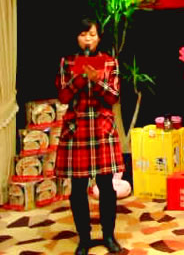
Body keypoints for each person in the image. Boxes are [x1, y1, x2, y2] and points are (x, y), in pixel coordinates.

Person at [55, 18, 124, 255]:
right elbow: (63, 97)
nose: (88, 39)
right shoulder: (67, 62)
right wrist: (80, 78)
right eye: (83, 34)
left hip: (102, 128)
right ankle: (84, 238)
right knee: (78, 188)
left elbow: (114, 96)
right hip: (77, 129)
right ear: (77, 37)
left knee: (106, 186)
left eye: (92, 35)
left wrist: (97, 80)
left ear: (99, 37)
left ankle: (109, 235)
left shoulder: (110, 62)